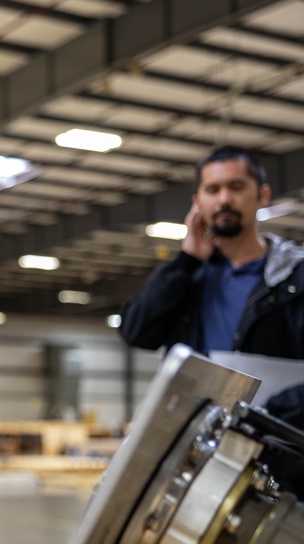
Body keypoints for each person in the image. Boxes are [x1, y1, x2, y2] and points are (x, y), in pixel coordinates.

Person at [119, 146, 304, 485]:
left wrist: (271, 414)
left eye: (236, 187)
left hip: (281, 456)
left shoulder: (295, 278)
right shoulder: (186, 278)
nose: (224, 199)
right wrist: (187, 260)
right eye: (213, 190)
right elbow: (137, 331)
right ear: (197, 202)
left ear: (262, 195)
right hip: (196, 456)